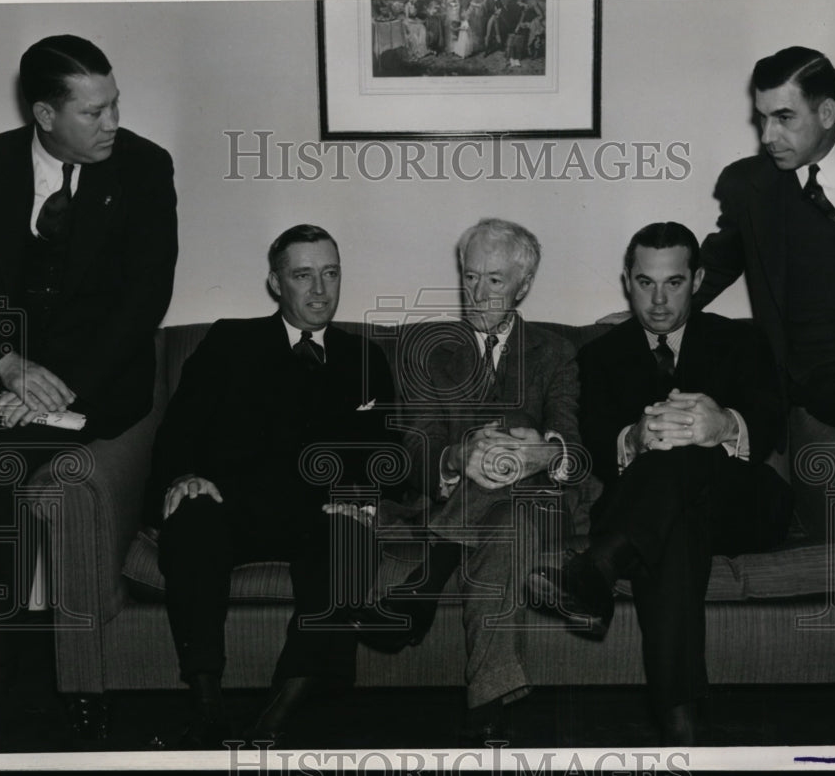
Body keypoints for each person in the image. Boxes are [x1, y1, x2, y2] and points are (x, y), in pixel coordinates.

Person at [529, 223, 792, 744]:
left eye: (673, 283)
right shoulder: (599, 355)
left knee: (688, 450)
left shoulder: (740, 338)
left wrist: (722, 425)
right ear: (627, 281)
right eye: (645, 282)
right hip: (651, 517)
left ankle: (600, 564)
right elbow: (590, 447)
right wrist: (634, 440)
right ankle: (682, 722)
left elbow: (771, 425)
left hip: (740, 503)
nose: (658, 299)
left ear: (696, 279)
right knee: (673, 524)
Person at [0, 34, 177, 700]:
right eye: (93, 112)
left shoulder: (145, 168)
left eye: (114, 104)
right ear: (44, 114)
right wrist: (2, 363)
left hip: (99, 388)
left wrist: (48, 393)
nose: (112, 123)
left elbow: (143, 302)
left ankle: (0, 670)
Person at [149, 225, 396, 748]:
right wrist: (183, 475)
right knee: (190, 518)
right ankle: (207, 705)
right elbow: (179, 428)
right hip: (234, 505)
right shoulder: (229, 341)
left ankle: (278, 713)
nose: (319, 291)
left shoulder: (365, 357)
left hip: (319, 515)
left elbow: (384, 452)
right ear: (274, 282)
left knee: (349, 545)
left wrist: (358, 493)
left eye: (330, 274)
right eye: (302, 275)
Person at [352, 218, 582, 743]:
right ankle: (489, 707)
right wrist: (459, 455)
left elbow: (575, 446)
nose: (477, 293)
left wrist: (540, 451)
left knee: (512, 452)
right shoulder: (428, 350)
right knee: (506, 518)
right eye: (470, 277)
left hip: (540, 500)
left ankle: (427, 577)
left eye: (495, 281)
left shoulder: (555, 353)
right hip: (487, 511)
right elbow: (414, 448)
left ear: (523, 286)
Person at [694, 46, 835, 438]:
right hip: (824, 372)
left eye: (783, 118)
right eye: (762, 119)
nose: (767, 137)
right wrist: (656, 311)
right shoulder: (749, 186)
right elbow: (714, 266)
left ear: (826, 113)